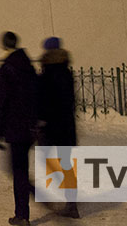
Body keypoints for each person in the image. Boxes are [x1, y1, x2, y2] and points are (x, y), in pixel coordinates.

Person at [0, 31, 38, 226]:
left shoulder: (7, 68)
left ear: (4, 45)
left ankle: (22, 215)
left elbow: (2, 100)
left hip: (14, 127)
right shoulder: (29, 67)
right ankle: (28, 205)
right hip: (29, 128)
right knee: (21, 169)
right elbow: (36, 97)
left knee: (17, 171)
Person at [39, 36, 79, 219]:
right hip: (66, 126)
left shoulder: (47, 73)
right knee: (66, 164)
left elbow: (44, 102)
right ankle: (72, 202)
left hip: (51, 126)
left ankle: (59, 192)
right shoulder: (66, 72)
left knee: (44, 158)